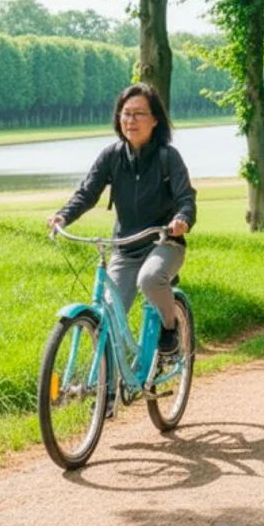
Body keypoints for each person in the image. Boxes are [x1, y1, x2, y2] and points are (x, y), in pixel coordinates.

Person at [47, 83, 197, 369]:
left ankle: (169, 327)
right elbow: (86, 193)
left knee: (150, 279)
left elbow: (185, 198)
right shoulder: (111, 156)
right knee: (109, 315)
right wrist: (63, 216)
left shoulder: (169, 157)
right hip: (125, 247)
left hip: (164, 243)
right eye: (125, 114)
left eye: (139, 114)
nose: (130, 120)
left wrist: (182, 220)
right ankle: (109, 389)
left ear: (155, 120)